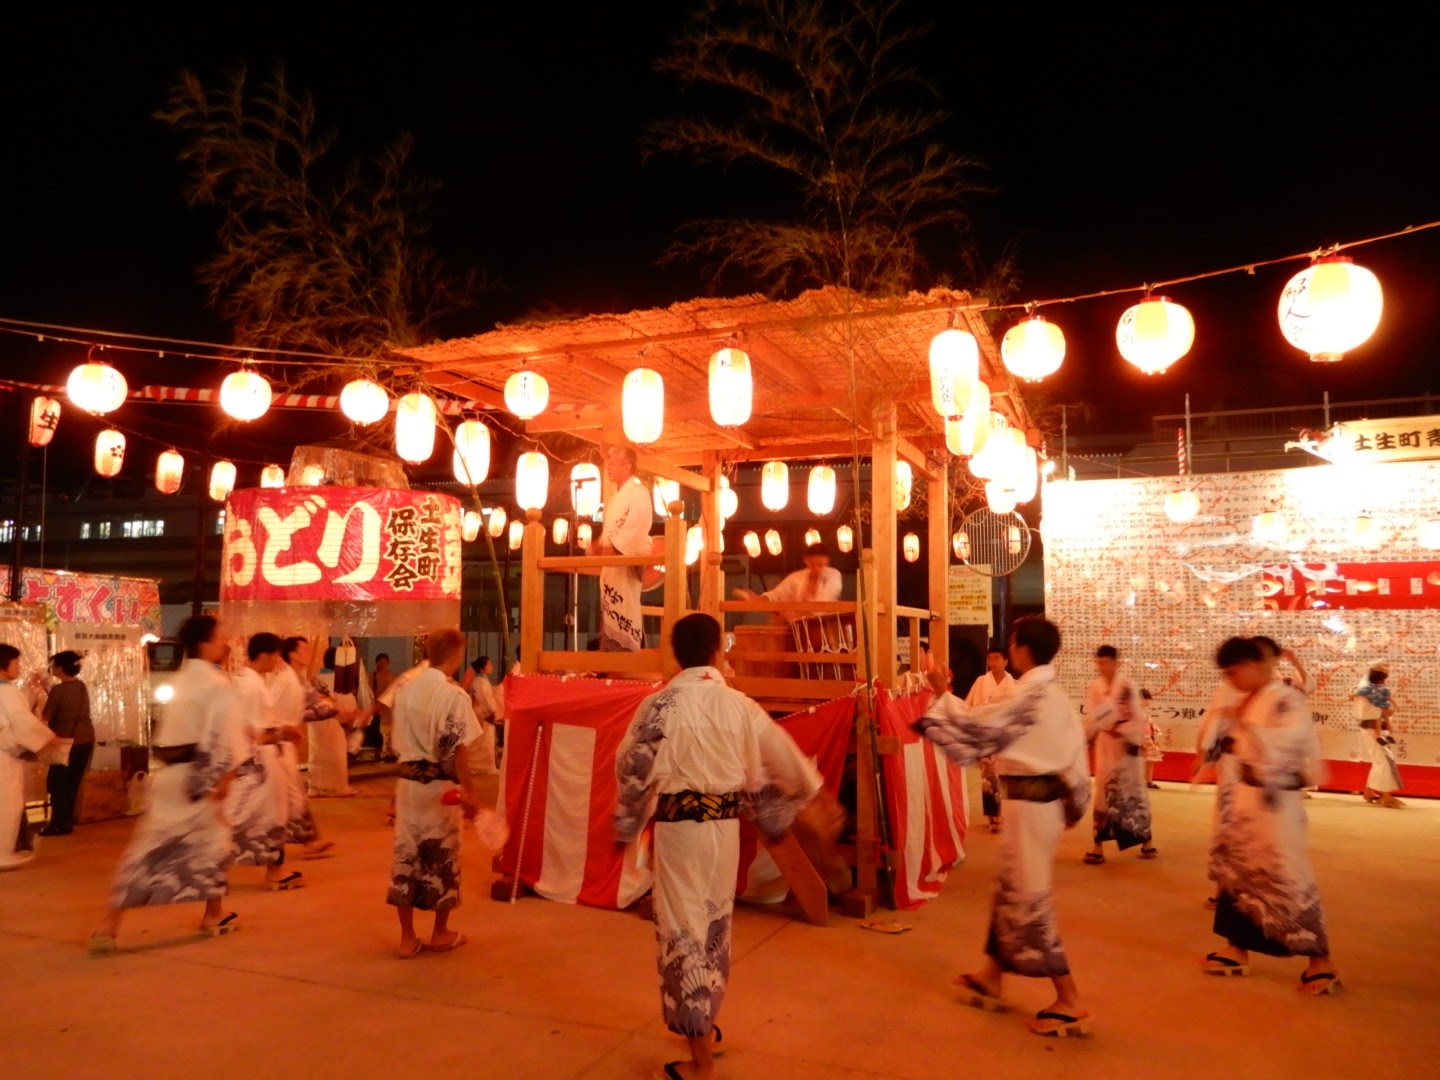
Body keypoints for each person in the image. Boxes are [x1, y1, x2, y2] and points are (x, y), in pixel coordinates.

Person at [615, 612, 833, 1080]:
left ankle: (699, 1062)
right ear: (718, 651)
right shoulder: (739, 705)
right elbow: (779, 757)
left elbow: (630, 769)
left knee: (682, 931)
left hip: (679, 831)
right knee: (714, 925)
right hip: (723, 832)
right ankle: (702, 1022)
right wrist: (812, 802)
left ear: (676, 653)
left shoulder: (657, 707)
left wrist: (627, 824)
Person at [914, 615, 1092, 1037]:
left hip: (1033, 805)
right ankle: (992, 974)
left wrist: (941, 690)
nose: (1007, 651)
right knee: (1013, 888)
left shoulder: (1029, 694)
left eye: (1011, 644)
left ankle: (1069, 999)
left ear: (1023, 650)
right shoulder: (1047, 692)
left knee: (1030, 897)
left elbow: (977, 728)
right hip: (1035, 804)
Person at [90, 616, 245, 950]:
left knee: (163, 844)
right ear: (205, 643)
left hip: (171, 774)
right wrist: (224, 778)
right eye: (220, 637)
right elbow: (226, 736)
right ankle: (210, 916)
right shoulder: (218, 684)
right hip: (200, 776)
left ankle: (111, 924)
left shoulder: (183, 678)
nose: (225, 643)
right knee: (209, 844)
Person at [1202, 636, 1340, 994]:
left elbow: (1291, 742)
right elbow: (1238, 744)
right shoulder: (1249, 699)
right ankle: (1238, 947)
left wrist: (1246, 729)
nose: (1230, 679)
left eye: (1234, 671)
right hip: (1248, 796)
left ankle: (1320, 961)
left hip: (1276, 801)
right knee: (1240, 874)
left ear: (1257, 664)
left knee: (1286, 877)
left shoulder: (1285, 698)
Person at [388, 628, 481, 958]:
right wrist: (469, 789)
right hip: (439, 786)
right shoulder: (452, 695)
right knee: (443, 855)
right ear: (456, 655)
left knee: (407, 855)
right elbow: (457, 749)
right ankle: (440, 932)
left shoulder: (405, 688)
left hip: (408, 784)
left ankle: (407, 937)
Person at [227, 633, 300, 889]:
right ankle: (273, 874)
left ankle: (275, 871)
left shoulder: (244, 681)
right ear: (266, 654)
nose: (277, 661)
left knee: (266, 817)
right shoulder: (251, 686)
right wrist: (284, 733)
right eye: (276, 655)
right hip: (259, 763)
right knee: (264, 818)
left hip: (257, 761)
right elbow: (254, 731)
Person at [1083, 645, 1157, 863]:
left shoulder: (1127, 686)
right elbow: (1093, 716)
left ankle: (1147, 843)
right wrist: (1088, 736)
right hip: (1106, 744)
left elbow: (1137, 717)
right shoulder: (1095, 687)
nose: (1102, 666)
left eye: (1105, 662)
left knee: (1133, 791)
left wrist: (1123, 732)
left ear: (1116, 663)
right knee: (1103, 792)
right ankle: (1098, 846)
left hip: (1125, 746)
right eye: (1099, 662)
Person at [266, 638, 333, 858]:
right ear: (292, 654)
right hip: (277, 745)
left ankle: (310, 840)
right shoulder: (285, 679)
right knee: (292, 798)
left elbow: (313, 705)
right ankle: (305, 843)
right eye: (304, 649)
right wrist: (282, 730)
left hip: (285, 743)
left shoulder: (297, 679)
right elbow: (270, 710)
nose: (308, 653)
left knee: (293, 797)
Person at [589, 445, 653, 652]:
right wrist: (599, 546)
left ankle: (628, 653)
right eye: (608, 463)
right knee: (611, 611)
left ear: (627, 467)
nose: (608, 468)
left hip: (624, 562)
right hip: (611, 566)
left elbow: (638, 526)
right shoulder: (617, 497)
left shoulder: (639, 491)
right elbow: (611, 531)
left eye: (614, 463)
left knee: (626, 608)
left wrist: (615, 548)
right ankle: (611, 656)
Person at [1, 644, 58, 870]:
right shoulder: (7, 691)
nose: (19, 667)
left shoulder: (7, 691)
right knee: (7, 803)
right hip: (4, 756)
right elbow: (21, 719)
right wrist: (48, 736)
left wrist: (31, 691)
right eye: (16, 662)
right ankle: (2, 853)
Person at [41, 650, 94, 836]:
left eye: (54, 665)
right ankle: (67, 822)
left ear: (61, 669)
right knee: (72, 782)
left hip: (65, 741)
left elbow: (47, 716)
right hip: (86, 739)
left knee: (56, 783)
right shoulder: (81, 686)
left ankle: (57, 824)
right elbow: (66, 701)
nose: (52, 668)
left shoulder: (58, 690)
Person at [966, 648, 1015, 834]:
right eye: (990, 659)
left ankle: (1002, 815)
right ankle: (991, 816)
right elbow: (969, 705)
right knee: (987, 777)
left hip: (1004, 735)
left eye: (996, 659)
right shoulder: (981, 682)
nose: (993, 662)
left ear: (1005, 661)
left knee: (1003, 776)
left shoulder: (1013, 684)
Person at [732, 542, 842, 622]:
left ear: (827, 561)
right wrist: (759, 599)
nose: (817, 569)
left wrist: (785, 611)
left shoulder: (834, 576)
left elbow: (821, 604)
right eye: (813, 564)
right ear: (806, 561)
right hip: (797, 629)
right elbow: (777, 594)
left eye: (821, 564)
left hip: (825, 627)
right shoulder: (796, 577)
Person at [1354, 665, 1403, 807]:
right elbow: (1365, 711)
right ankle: (1386, 795)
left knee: (1379, 760)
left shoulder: (1368, 688)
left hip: (1375, 727)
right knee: (1384, 760)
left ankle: (1369, 791)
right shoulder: (1366, 689)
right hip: (1371, 728)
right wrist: (1386, 711)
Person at [467, 656, 500, 776]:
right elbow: (486, 699)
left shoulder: (479, 680)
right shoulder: (481, 682)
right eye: (489, 664)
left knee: (480, 742)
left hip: (478, 714)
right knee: (485, 742)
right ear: (482, 668)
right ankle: (486, 767)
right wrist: (495, 711)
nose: (491, 667)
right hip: (482, 714)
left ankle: (476, 766)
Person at [1140, 689, 1163, 788]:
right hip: (1140, 739)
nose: (1148, 701)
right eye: (1146, 699)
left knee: (1149, 761)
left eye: (1149, 699)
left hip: (1148, 738)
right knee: (1140, 761)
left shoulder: (1144, 711)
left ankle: (1148, 781)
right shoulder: (1135, 711)